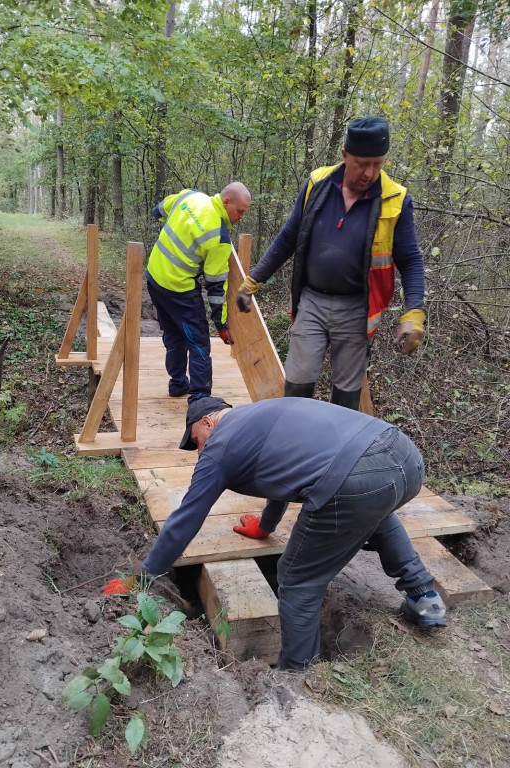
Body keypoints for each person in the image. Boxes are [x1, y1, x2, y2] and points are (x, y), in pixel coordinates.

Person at [141, 396, 447, 671]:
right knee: (373, 508)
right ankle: (425, 599)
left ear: (208, 421)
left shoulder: (220, 446)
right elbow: (286, 476)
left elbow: (187, 518)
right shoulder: (263, 413)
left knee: (298, 578)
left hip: (358, 476)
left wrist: (144, 575)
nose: (199, 451)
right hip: (406, 458)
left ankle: (296, 673)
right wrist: (265, 527)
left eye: (197, 441)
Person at [236, 117, 426, 411]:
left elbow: (411, 260)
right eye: (362, 163)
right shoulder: (317, 185)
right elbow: (289, 237)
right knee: (298, 383)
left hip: (356, 310)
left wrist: (414, 313)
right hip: (311, 301)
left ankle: (336, 453)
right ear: (345, 155)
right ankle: (293, 447)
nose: (369, 173)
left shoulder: (396, 200)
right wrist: (253, 281)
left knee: (346, 396)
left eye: (377, 163)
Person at [147, 182, 252, 403]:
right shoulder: (219, 238)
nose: (241, 217)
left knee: (174, 333)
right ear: (226, 202)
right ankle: (200, 399)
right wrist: (221, 325)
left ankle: (177, 383)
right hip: (178, 289)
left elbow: (158, 211)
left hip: (154, 278)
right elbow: (216, 287)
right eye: (240, 211)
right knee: (199, 343)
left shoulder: (191, 197)